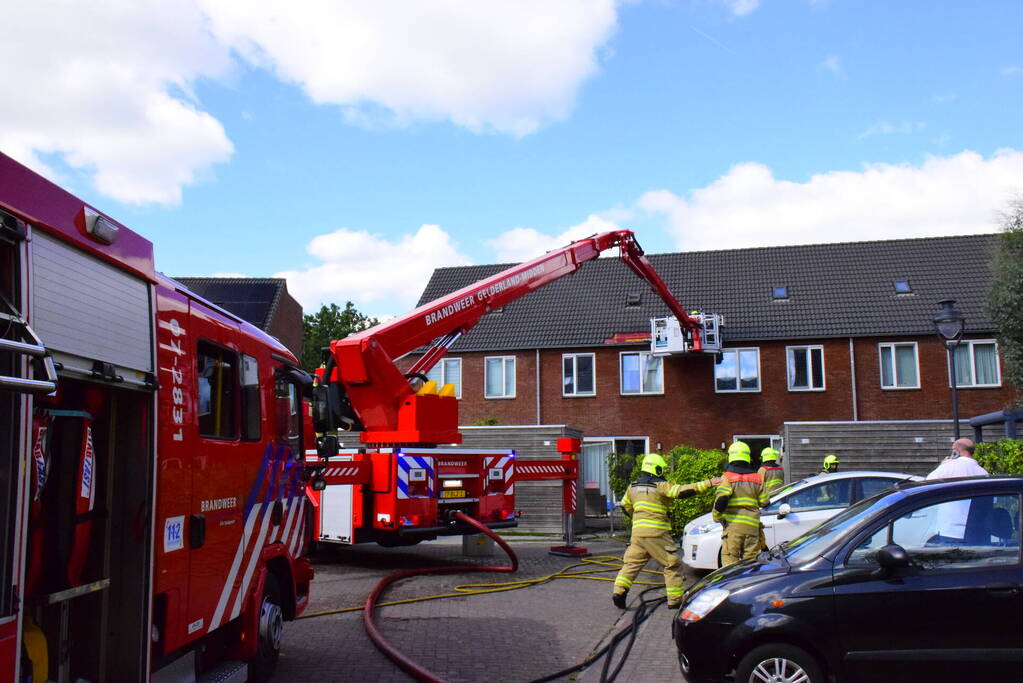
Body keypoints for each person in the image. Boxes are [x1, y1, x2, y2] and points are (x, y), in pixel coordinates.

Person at [612, 453, 719, 609]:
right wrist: (708, 483)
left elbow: (625, 505)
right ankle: (675, 600)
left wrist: (637, 519)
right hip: (657, 534)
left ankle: (619, 592)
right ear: (657, 469)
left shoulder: (632, 487)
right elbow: (681, 491)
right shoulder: (661, 486)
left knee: (631, 564)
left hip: (638, 534)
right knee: (672, 564)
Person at [715, 442, 770, 565]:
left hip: (733, 528)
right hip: (752, 528)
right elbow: (764, 501)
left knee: (730, 565)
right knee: (751, 564)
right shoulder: (757, 478)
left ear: (731, 456)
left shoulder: (727, 477)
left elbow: (721, 500)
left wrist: (716, 517)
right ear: (747, 457)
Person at [925, 439, 989, 544]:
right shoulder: (983, 473)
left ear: (956, 451)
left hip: (950, 531)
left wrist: (942, 464)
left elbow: (927, 484)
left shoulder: (947, 467)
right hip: (975, 533)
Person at [756, 447, 785, 550]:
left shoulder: (762, 470)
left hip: (767, 501)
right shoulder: (780, 468)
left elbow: (758, 485)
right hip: (780, 498)